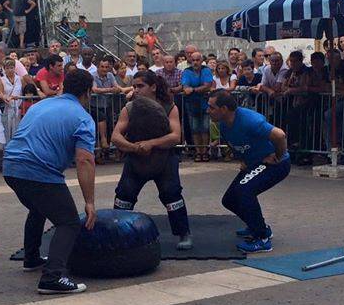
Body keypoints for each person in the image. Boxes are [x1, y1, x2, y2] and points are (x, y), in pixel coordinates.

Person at [3, 70, 96, 295]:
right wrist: (89, 202)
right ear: (87, 93)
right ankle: (52, 278)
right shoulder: (83, 117)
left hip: (10, 166)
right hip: (38, 171)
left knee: (38, 208)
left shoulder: (40, 105)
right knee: (69, 222)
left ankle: (32, 258)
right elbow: (84, 161)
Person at [112, 70, 192, 250]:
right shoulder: (130, 108)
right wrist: (134, 148)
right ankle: (116, 233)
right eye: (134, 87)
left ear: (154, 87)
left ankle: (184, 233)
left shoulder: (170, 107)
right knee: (124, 195)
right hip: (136, 159)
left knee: (171, 194)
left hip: (164, 159)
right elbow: (116, 137)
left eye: (140, 86)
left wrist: (151, 144)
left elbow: (175, 136)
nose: (136, 90)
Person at [208, 90, 290, 253]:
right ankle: (258, 226)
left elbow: (279, 135)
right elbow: (238, 143)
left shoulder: (250, 121)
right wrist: (243, 161)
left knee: (244, 191)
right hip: (255, 163)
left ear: (223, 109)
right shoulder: (223, 124)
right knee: (229, 200)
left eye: (211, 107)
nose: (207, 110)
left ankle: (262, 239)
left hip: (275, 165)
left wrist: (278, 156)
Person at [181, 51, 213, 162]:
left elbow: (207, 85)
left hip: (204, 103)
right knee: (194, 129)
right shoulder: (187, 71)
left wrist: (193, 89)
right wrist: (192, 89)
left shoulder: (206, 70)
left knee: (205, 128)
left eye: (197, 60)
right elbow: (185, 86)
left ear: (201, 60)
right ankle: (198, 152)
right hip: (192, 103)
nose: (195, 62)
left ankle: (205, 152)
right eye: (193, 60)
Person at [92, 59, 121, 162]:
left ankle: (106, 152)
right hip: (95, 106)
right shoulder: (93, 75)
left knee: (110, 126)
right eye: (102, 67)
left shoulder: (110, 75)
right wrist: (109, 90)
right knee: (97, 129)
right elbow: (94, 89)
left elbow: (117, 87)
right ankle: (98, 153)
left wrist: (115, 89)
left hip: (108, 105)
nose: (104, 69)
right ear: (98, 67)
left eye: (106, 67)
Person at [1, 57, 23, 142]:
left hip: (18, 108)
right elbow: (0, 92)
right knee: (7, 131)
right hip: (7, 108)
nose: (10, 70)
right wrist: (4, 97)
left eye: (11, 68)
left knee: (17, 131)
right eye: (7, 68)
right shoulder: (1, 80)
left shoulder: (20, 79)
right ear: (4, 69)